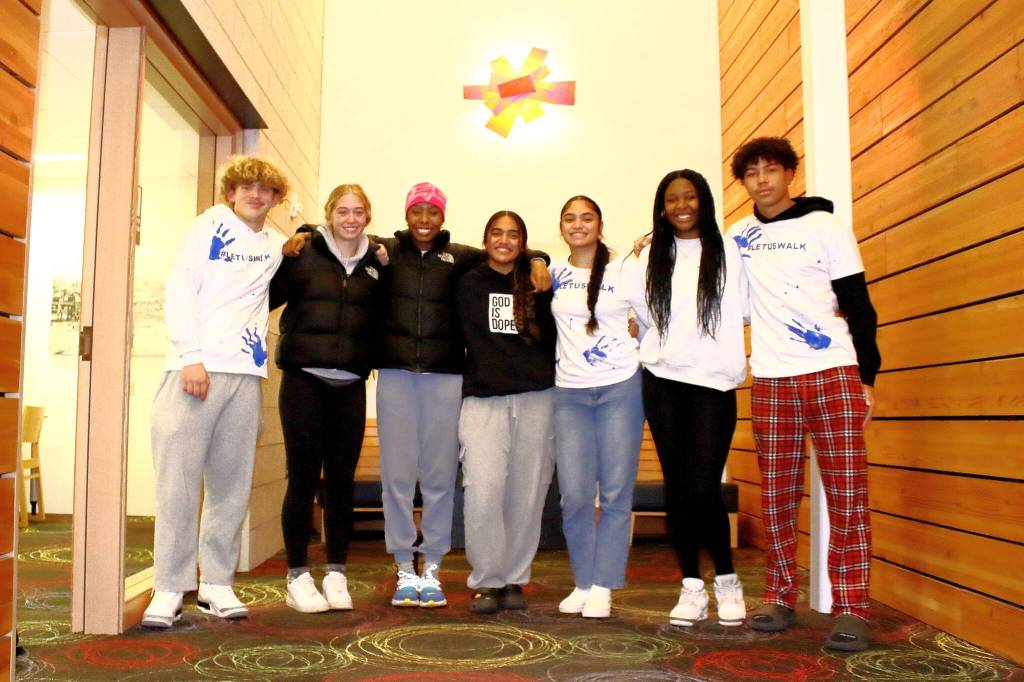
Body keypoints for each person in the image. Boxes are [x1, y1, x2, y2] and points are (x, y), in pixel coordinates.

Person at [726, 137, 880, 651]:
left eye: (772, 169)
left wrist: (868, 376)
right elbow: (727, 303)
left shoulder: (826, 227)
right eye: (752, 173)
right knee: (776, 496)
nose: (763, 180)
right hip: (770, 378)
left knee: (847, 493)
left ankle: (853, 606)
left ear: (790, 173)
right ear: (743, 181)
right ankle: (779, 595)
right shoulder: (738, 235)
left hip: (833, 372)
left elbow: (858, 304)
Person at [372, 183, 551, 607]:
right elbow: (342, 230)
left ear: (444, 217)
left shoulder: (471, 262)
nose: (424, 219)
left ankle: (462, 574)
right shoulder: (395, 255)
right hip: (418, 380)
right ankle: (419, 570)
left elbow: (521, 254)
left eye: (432, 212)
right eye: (416, 210)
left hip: (473, 385)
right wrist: (304, 229)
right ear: (406, 214)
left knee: (472, 486)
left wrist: (540, 258)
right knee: (428, 484)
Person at [142, 156, 290, 628]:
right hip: (194, 372)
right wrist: (191, 357)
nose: (255, 195)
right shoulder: (206, 228)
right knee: (178, 487)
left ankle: (216, 585)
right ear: (230, 192)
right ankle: (169, 587)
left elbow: (330, 242)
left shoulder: (275, 244)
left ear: (274, 198)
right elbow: (180, 292)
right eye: (246, 187)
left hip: (245, 376)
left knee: (230, 487)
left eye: (265, 189)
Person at [269, 183, 388, 613]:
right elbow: (261, 296)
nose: (351, 218)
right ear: (329, 214)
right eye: (343, 211)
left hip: (350, 386)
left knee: (341, 482)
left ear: (368, 215)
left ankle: (336, 572)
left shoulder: (378, 262)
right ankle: (298, 576)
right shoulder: (303, 252)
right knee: (302, 479)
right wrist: (288, 244)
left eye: (358, 211)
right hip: (304, 381)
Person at [638, 170, 749, 627]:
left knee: (703, 489)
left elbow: (744, 309)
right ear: (662, 208)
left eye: (689, 197)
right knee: (678, 489)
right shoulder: (650, 257)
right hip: (663, 381)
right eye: (671, 199)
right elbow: (644, 316)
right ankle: (690, 585)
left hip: (714, 385)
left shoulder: (732, 253)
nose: (681, 205)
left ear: (704, 200)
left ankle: (726, 579)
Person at [549, 196, 646, 619]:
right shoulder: (552, 271)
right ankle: (583, 580)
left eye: (586, 217)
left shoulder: (626, 269)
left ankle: (604, 585)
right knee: (573, 494)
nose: (578, 224)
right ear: (561, 227)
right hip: (569, 393)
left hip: (619, 388)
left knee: (614, 492)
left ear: (600, 224)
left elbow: (653, 317)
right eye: (570, 218)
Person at [456, 210, 556, 614]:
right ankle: (486, 579)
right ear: (484, 241)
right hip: (483, 399)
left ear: (523, 242)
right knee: (483, 488)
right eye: (496, 233)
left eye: (513, 235)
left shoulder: (538, 281)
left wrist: (539, 261)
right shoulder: (467, 282)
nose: (504, 240)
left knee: (527, 493)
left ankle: (514, 578)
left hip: (537, 397)